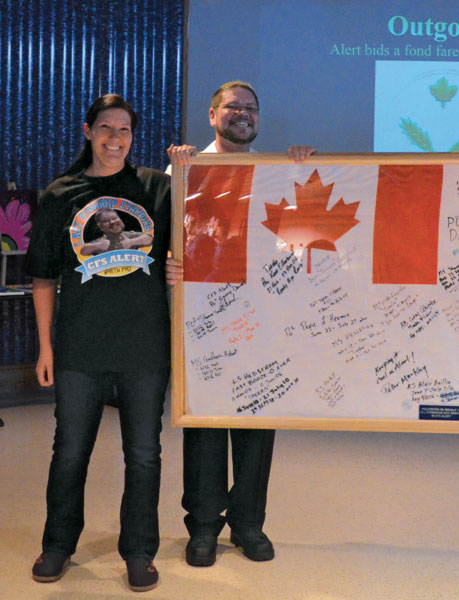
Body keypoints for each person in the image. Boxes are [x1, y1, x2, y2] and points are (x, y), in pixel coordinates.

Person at [165, 80, 315, 568]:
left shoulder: (277, 173)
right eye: (233, 108)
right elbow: (166, 239)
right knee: (205, 426)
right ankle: (204, 527)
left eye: (251, 108)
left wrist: (306, 166)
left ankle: (249, 524)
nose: (242, 115)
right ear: (213, 116)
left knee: (256, 428)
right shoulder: (185, 170)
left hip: (263, 320)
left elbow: (303, 235)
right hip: (205, 321)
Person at [26, 94, 172, 592]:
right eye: (106, 128)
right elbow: (43, 279)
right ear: (87, 131)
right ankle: (58, 545)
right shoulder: (61, 193)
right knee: (69, 450)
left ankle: (138, 550)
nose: (116, 138)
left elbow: (198, 234)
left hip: (145, 346)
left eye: (125, 129)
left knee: (145, 453)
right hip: (78, 347)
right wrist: (45, 348)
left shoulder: (156, 187)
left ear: (134, 136)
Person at [81, 208, 153, 256]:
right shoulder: (102, 241)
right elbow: (83, 251)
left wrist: (131, 242)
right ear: (101, 227)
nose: (112, 222)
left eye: (114, 218)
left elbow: (149, 239)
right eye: (106, 221)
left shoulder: (130, 235)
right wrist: (97, 246)